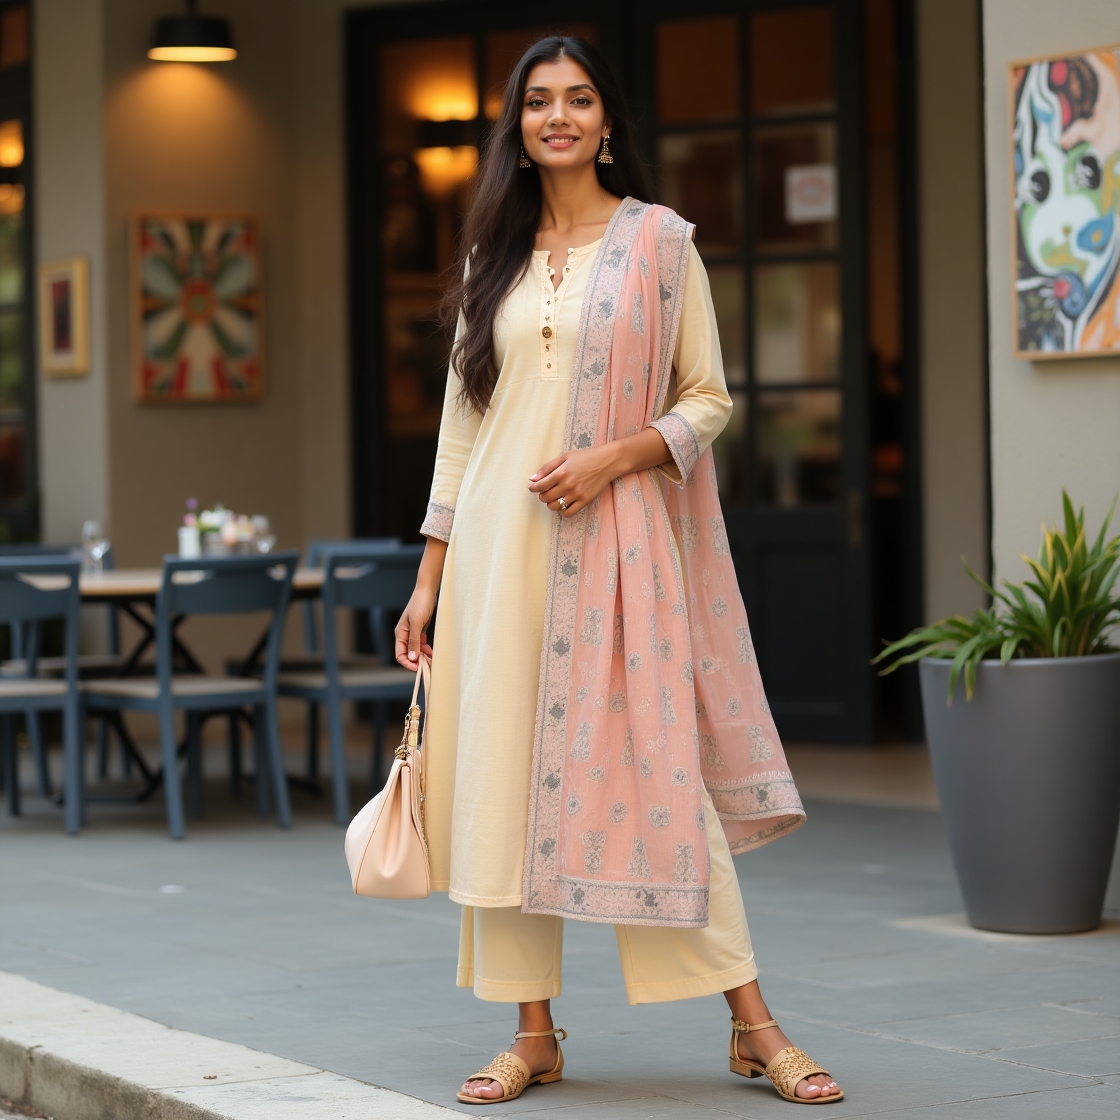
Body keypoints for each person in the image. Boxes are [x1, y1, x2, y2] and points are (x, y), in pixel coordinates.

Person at [395, 35, 843, 1107]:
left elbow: (708, 399)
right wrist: (428, 578)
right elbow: (465, 428)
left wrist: (611, 458)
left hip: (620, 544)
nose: (558, 116)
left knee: (664, 781)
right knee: (504, 784)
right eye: (539, 101)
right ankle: (533, 1033)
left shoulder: (658, 243)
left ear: (606, 121)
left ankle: (755, 1027)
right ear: (518, 125)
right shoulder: (490, 257)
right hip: (501, 558)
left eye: (578, 99)